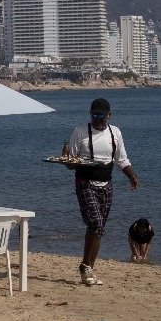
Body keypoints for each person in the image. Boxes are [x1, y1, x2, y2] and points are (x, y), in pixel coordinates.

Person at [64, 97, 138, 287]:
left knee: (99, 228)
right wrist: (66, 160)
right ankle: (85, 266)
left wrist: (131, 176)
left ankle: (88, 267)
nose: (97, 119)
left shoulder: (115, 133)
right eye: (94, 116)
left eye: (101, 116)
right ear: (90, 115)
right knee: (95, 223)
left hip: (106, 184)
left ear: (109, 116)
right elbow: (71, 162)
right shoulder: (80, 132)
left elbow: (121, 159)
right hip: (85, 183)